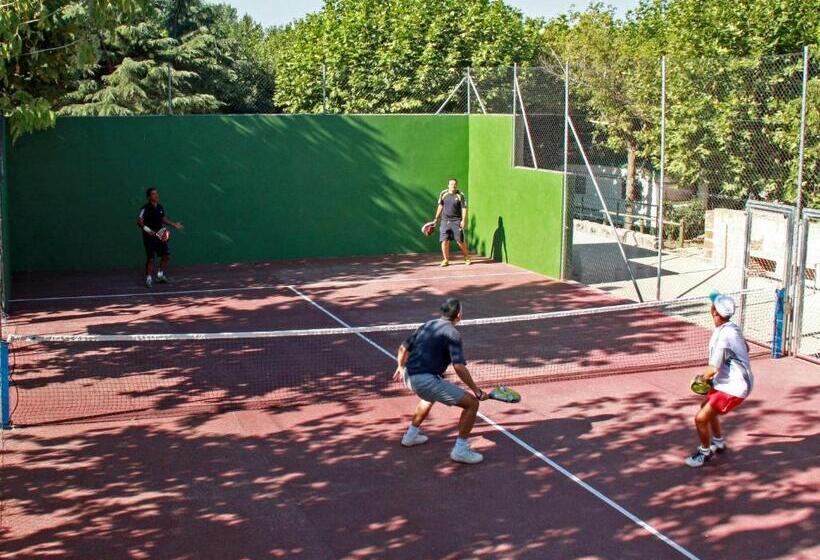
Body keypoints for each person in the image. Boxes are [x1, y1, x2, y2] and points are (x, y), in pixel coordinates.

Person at [393, 298, 489, 464]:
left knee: (428, 397)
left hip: (409, 376)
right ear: (458, 315)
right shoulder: (453, 333)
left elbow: (403, 347)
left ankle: (410, 436)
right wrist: (476, 390)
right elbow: (459, 366)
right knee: (472, 403)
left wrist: (401, 367)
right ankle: (460, 450)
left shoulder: (427, 325)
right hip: (424, 380)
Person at [685, 293, 754, 468]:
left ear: (714, 311)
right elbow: (746, 348)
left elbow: (712, 369)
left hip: (734, 387)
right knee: (705, 408)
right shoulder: (732, 328)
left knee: (700, 419)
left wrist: (701, 379)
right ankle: (719, 442)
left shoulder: (724, 338)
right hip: (729, 381)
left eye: (712, 306)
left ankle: (704, 453)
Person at [137, 187, 183, 288]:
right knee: (151, 259)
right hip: (149, 235)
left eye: (157, 193)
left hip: (160, 234)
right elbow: (139, 221)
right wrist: (148, 230)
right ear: (149, 197)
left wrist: (174, 224)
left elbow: (163, 218)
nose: (156, 195)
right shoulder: (145, 208)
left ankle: (160, 275)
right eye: (153, 194)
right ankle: (148, 278)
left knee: (165, 256)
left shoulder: (160, 207)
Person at [432, 178, 470, 267]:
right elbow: (440, 206)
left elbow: (464, 208)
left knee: (460, 241)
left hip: (456, 221)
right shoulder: (443, 194)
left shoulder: (460, 195)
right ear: (448, 185)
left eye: (455, 184)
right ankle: (445, 259)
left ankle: (466, 257)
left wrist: (463, 220)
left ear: (457, 185)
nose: (454, 186)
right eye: (452, 184)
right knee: (444, 241)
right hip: (445, 221)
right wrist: (436, 218)